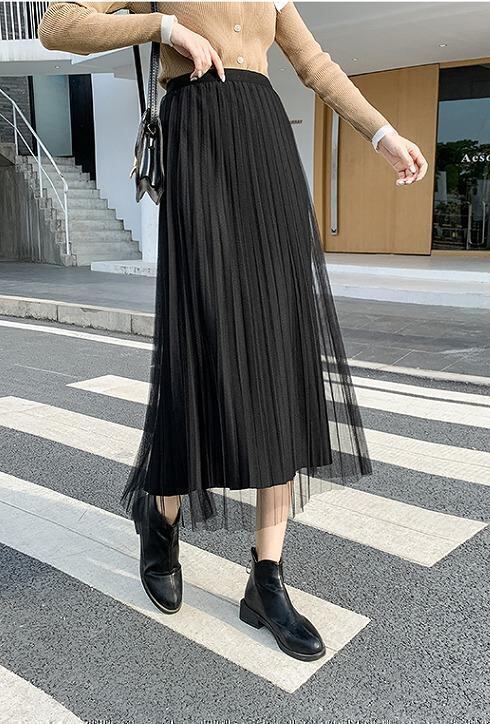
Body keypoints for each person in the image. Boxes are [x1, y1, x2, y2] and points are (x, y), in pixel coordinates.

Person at [38, 1, 428, 662]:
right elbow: (58, 25)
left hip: (264, 144)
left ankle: (266, 577)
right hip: (199, 142)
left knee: (280, 349)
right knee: (203, 342)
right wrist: (165, 28)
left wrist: (380, 133)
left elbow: (313, 63)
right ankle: (162, 515)